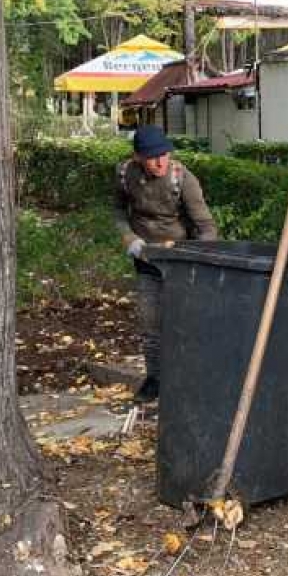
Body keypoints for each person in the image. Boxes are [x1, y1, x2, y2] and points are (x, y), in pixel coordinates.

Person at [113, 125, 218, 402]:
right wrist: (129, 239)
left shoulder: (182, 179)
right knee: (151, 324)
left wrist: (197, 258)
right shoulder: (126, 174)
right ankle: (155, 379)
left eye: (164, 155)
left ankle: (190, 378)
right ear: (137, 157)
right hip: (146, 260)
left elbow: (206, 227)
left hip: (181, 261)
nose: (160, 162)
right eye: (152, 157)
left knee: (187, 321)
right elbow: (117, 211)